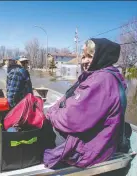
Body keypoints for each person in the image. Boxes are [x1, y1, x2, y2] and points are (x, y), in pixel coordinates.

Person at [43, 38, 127, 169]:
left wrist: (51, 115)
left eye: (90, 56)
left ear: (102, 56)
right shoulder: (95, 75)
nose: (84, 61)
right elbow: (67, 98)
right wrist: (52, 111)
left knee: (41, 144)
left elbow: (70, 120)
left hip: (91, 150)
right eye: (83, 56)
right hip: (90, 140)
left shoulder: (102, 80)